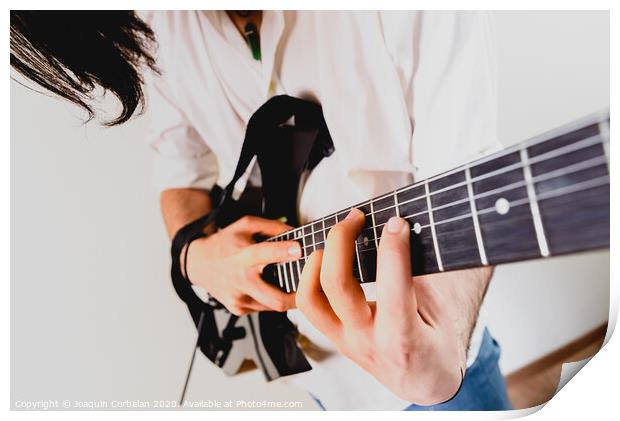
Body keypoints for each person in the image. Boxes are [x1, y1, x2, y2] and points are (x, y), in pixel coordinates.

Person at [10, 10, 512, 410]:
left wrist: (442, 338)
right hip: (319, 377)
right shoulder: (158, 25)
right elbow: (177, 176)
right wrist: (197, 259)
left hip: (442, 366)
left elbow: (466, 172)